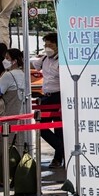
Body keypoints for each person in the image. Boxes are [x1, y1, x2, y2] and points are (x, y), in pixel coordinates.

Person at [33, 33, 63, 168]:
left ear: (58, 46)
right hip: (46, 97)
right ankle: (63, 150)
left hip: (59, 96)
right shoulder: (44, 58)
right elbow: (32, 63)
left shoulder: (62, 60)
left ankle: (58, 158)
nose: (47, 48)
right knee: (42, 128)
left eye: (50, 45)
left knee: (59, 129)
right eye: (46, 45)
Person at [0, 49, 25, 117]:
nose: (4, 60)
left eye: (7, 58)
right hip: (21, 113)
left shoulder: (8, 75)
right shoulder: (23, 73)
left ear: (14, 61)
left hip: (7, 113)